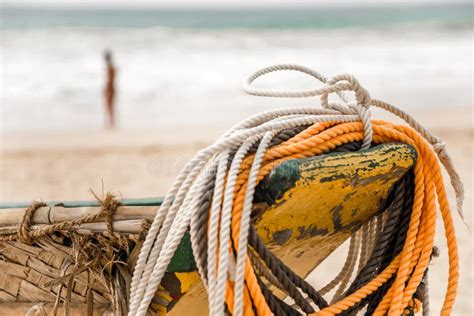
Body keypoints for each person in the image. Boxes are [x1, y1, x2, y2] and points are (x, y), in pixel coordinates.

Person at [104, 50, 116, 128]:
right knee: (110, 105)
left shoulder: (110, 68)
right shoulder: (112, 67)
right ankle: (111, 122)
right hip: (112, 87)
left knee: (109, 106)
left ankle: (111, 122)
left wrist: (106, 89)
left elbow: (109, 80)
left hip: (110, 88)